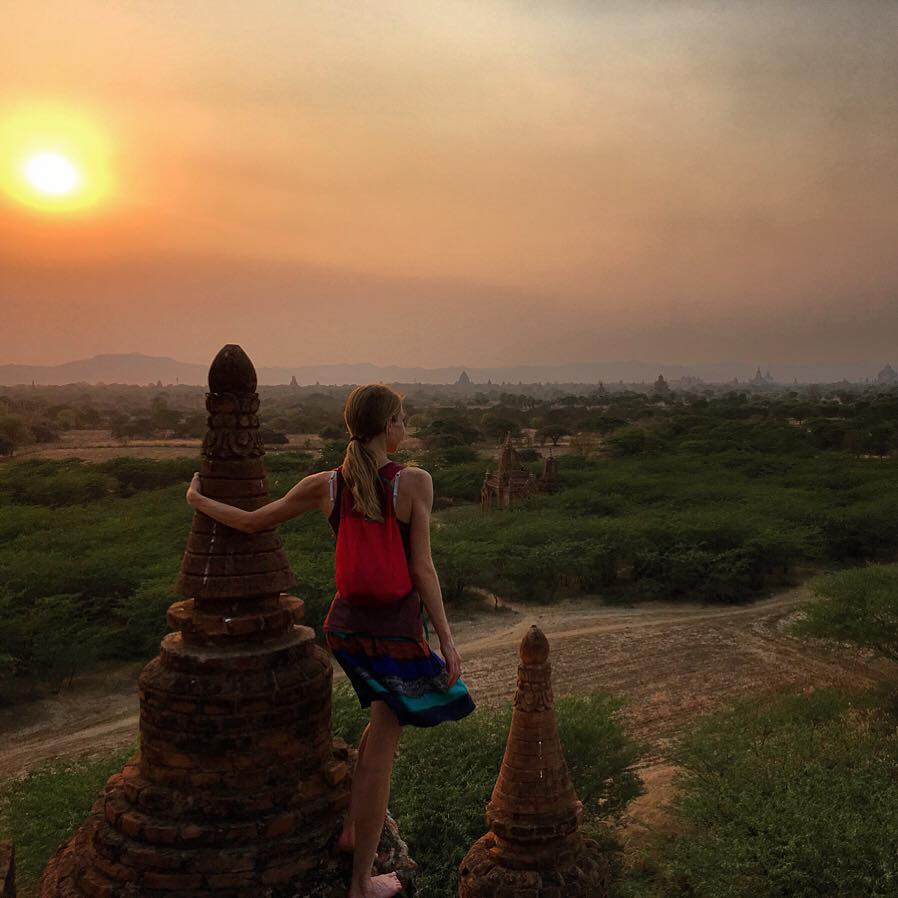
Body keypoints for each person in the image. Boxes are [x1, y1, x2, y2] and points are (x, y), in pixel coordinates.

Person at [186, 383, 475, 898]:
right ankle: (361, 881)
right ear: (389, 427)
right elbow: (423, 568)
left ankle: (349, 827)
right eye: (402, 419)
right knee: (386, 741)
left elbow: (253, 523)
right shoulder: (414, 483)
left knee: (378, 726)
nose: (405, 428)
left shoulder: (327, 485)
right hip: (392, 631)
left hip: (344, 628)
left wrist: (198, 499)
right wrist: (448, 643)